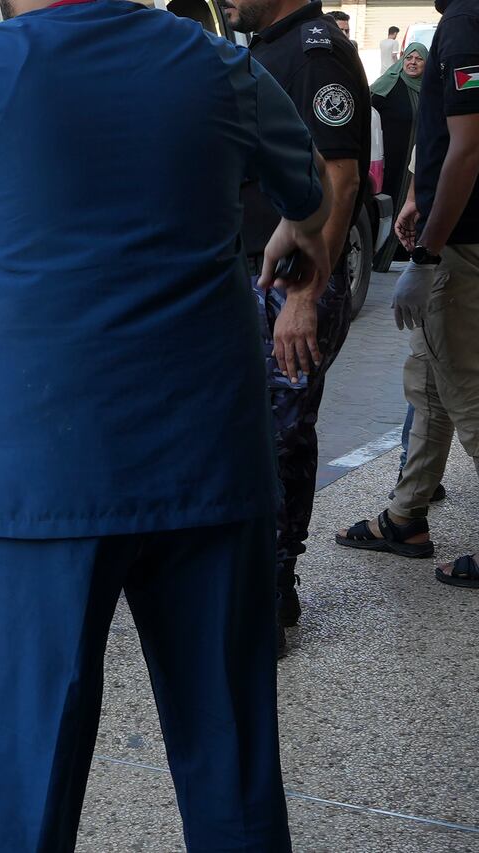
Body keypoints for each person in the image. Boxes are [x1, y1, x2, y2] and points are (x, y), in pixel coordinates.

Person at [0, 0, 332, 847]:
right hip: (211, 468)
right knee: (231, 770)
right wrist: (302, 242)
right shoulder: (217, 65)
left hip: (45, 480)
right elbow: (312, 194)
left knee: (25, 786)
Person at [226, 0, 370, 657]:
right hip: (262, 278)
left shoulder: (314, 53)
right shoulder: (267, 46)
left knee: (281, 439)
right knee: (258, 436)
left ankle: (272, 594)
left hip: (293, 288)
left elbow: (337, 181)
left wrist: (306, 293)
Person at [337, 0, 479, 591]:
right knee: (428, 382)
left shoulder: (467, 20)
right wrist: (421, 195)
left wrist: (424, 256)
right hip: (456, 230)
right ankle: (405, 517)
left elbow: (469, 146)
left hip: (462, 243)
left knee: (467, 392)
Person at [371, 42, 429, 268]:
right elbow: (368, 113)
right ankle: (380, 256)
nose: (413, 63)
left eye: (419, 59)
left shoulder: (430, 89)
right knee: (389, 203)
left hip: (417, 163)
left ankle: (405, 253)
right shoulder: (387, 85)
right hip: (390, 162)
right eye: (409, 58)